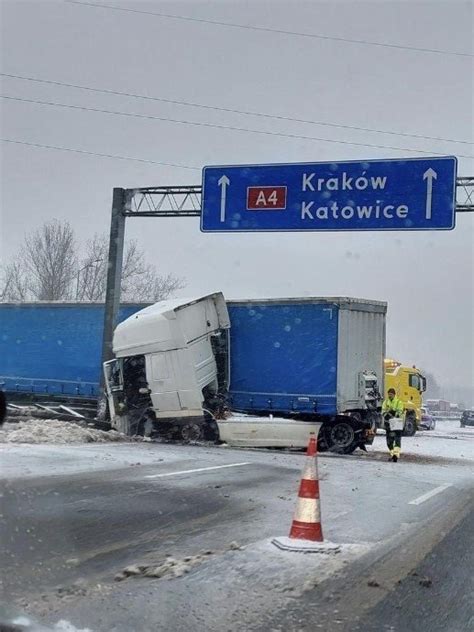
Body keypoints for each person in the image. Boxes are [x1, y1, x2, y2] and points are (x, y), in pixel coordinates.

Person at [382, 387, 404, 462]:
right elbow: (383, 411)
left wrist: (394, 413)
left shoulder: (398, 402)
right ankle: (393, 455)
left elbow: (400, 411)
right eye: (389, 394)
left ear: (394, 394)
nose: (389, 396)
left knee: (397, 441)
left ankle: (396, 456)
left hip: (397, 424)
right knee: (389, 442)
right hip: (388, 424)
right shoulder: (386, 402)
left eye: (391, 394)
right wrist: (386, 414)